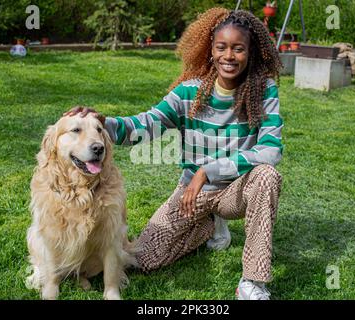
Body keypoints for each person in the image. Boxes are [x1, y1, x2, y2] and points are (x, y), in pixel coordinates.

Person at [65, 8, 283, 300]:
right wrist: (104, 122)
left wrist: (207, 172)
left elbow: (270, 150)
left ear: (251, 52)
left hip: (237, 190)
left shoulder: (264, 90)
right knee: (144, 260)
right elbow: (144, 124)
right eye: (221, 47)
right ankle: (208, 225)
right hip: (193, 193)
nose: (228, 56)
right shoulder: (188, 93)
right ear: (210, 50)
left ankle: (253, 282)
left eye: (238, 49)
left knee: (267, 175)